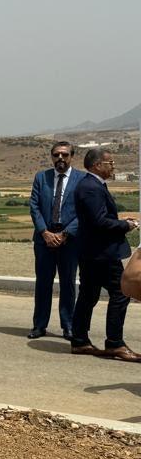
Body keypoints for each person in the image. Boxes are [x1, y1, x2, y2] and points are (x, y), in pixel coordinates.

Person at [69, 149, 140, 361]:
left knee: (88, 295)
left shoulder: (93, 185)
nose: (114, 165)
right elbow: (99, 222)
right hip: (102, 253)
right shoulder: (91, 187)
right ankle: (114, 344)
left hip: (93, 252)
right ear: (97, 165)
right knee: (121, 293)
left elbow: (99, 218)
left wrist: (119, 221)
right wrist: (125, 225)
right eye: (110, 162)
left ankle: (80, 340)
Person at [28, 141, 83, 340]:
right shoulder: (41, 177)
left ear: (71, 156)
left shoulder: (82, 179)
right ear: (51, 157)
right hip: (44, 240)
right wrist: (44, 232)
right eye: (56, 155)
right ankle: (39, 325)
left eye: (64, 155)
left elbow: (84, 211)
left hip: (69, 240)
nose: (60, 158)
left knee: (68, 283)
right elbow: (34, 206)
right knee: (43, 283)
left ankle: (68, 326)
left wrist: (65, 234)